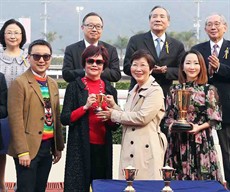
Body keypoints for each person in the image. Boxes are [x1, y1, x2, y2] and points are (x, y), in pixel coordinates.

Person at [98, 49, 168, 180]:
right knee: (129, 185)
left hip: (146, 149)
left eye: (143, 65)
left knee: (146, 186)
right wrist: (114, 106)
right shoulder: (134, 90)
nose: (138, 69)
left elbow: (142, 118)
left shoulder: (155, 91)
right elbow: (128, 116)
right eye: (135, 65)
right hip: (130, 148)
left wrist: (113, 114)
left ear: (151, 69)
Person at [7, 39, 64, 191]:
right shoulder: (19, 83)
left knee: (40, 188)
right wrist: (22, 151)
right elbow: (15, 119)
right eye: (37, 56)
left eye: (46, 56)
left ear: (50, 58)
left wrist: (57, 146)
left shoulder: (52, 83)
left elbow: (55, 116)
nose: (41, 60)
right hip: (28, 148)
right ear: (29, 57)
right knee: (26, 189)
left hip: (47, 147)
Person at [61, 45, 120, 191]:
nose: (94, 65)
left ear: (104, 65)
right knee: (77, 187)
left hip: (102, 148)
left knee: (102, 187)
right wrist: (85, 107)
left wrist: (109, 113)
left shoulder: (109, 89)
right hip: (79, 147)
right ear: (84, 63)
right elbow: (65, 118)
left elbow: (115, 125)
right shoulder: (74, 86)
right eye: (90, 61)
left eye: (99, 62)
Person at [164, 50, 222, 181]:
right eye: (188, 63)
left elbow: (215, 119)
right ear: (182, 67)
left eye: (196, 63)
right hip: (177, 142)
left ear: (201, 66)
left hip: (201, 142)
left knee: (202, 181)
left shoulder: (209, 90)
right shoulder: (174, 90)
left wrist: (198, 128)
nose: (192, 67)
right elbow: (167, 117)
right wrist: (172, 124)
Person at [192, 14, 230, 188]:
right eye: (209, 24)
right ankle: (201, 184)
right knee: (201, 148)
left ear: (225, 27)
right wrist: (205, 70)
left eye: (217, 24)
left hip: (227, 106)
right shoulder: (198, 49)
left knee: (227, 150)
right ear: (205, 29)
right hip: (201, 110)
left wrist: (219, 67)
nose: (213, 27)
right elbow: (190, 71)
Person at [123, 5, 185, 97]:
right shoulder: (136, 41)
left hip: (165, 94)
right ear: (150, 21)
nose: (158, 19)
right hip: (139, 93)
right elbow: (127, 67)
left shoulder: (177, 45)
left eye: (162, 17)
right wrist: (148, 69)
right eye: (154, 16)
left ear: (168, 22)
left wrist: (166, 71)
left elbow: (182, 70)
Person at [0, 18, 28, 192]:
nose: (13, 35)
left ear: (22, 36)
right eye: (9, 32)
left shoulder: (28, 57)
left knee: (22, 149)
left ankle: (21, 183)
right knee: (0, 151)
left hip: (24, 111)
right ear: (3, 35)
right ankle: (1, 184)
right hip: (2, 111)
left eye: (16, 32)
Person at [62, 12, 121, 83]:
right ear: (82, 27)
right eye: (90, 25)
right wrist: (86, 71)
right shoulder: (71, 49)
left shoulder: (110, 50)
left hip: (102, 92)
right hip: (78, 92)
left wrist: (98, 70)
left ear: (102, 29)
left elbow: (116, 75)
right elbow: (66, 74)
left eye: (98, 26)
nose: (94, 29)